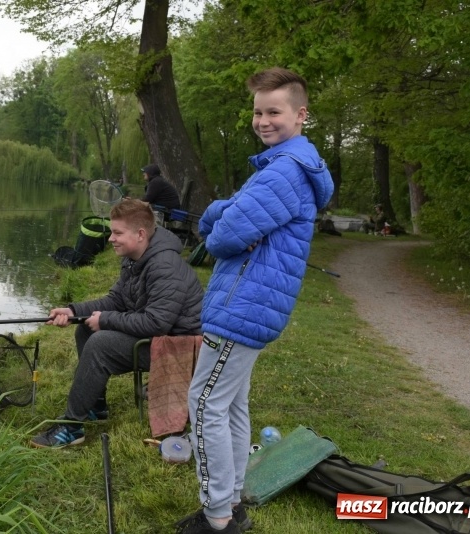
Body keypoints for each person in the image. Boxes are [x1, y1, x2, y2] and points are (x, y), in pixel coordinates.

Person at [175, 67, 334, 534]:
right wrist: (226, 215)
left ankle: (218, 516)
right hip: (254, 305)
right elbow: (230, 222)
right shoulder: (288, 166)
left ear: (301, 114)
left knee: (204, 404)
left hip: (243, 306)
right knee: (232, 405)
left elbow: (221, 237)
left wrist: (218, 217)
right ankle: (233, 501)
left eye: (274, 112)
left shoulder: (283, 171)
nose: (264, 121)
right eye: (258, 112)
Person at [31, 198, 204, 449]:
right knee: (85, 328)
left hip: (180, 346)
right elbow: (116, 300)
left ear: (141, 234)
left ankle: (71, 427)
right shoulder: (135, 258)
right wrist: (72, 311)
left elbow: (157, 323)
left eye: (117, 233)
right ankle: (97, 407)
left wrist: (106, 320)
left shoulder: (164, 266)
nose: (111, 238)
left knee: (101, 343)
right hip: (160, 336)